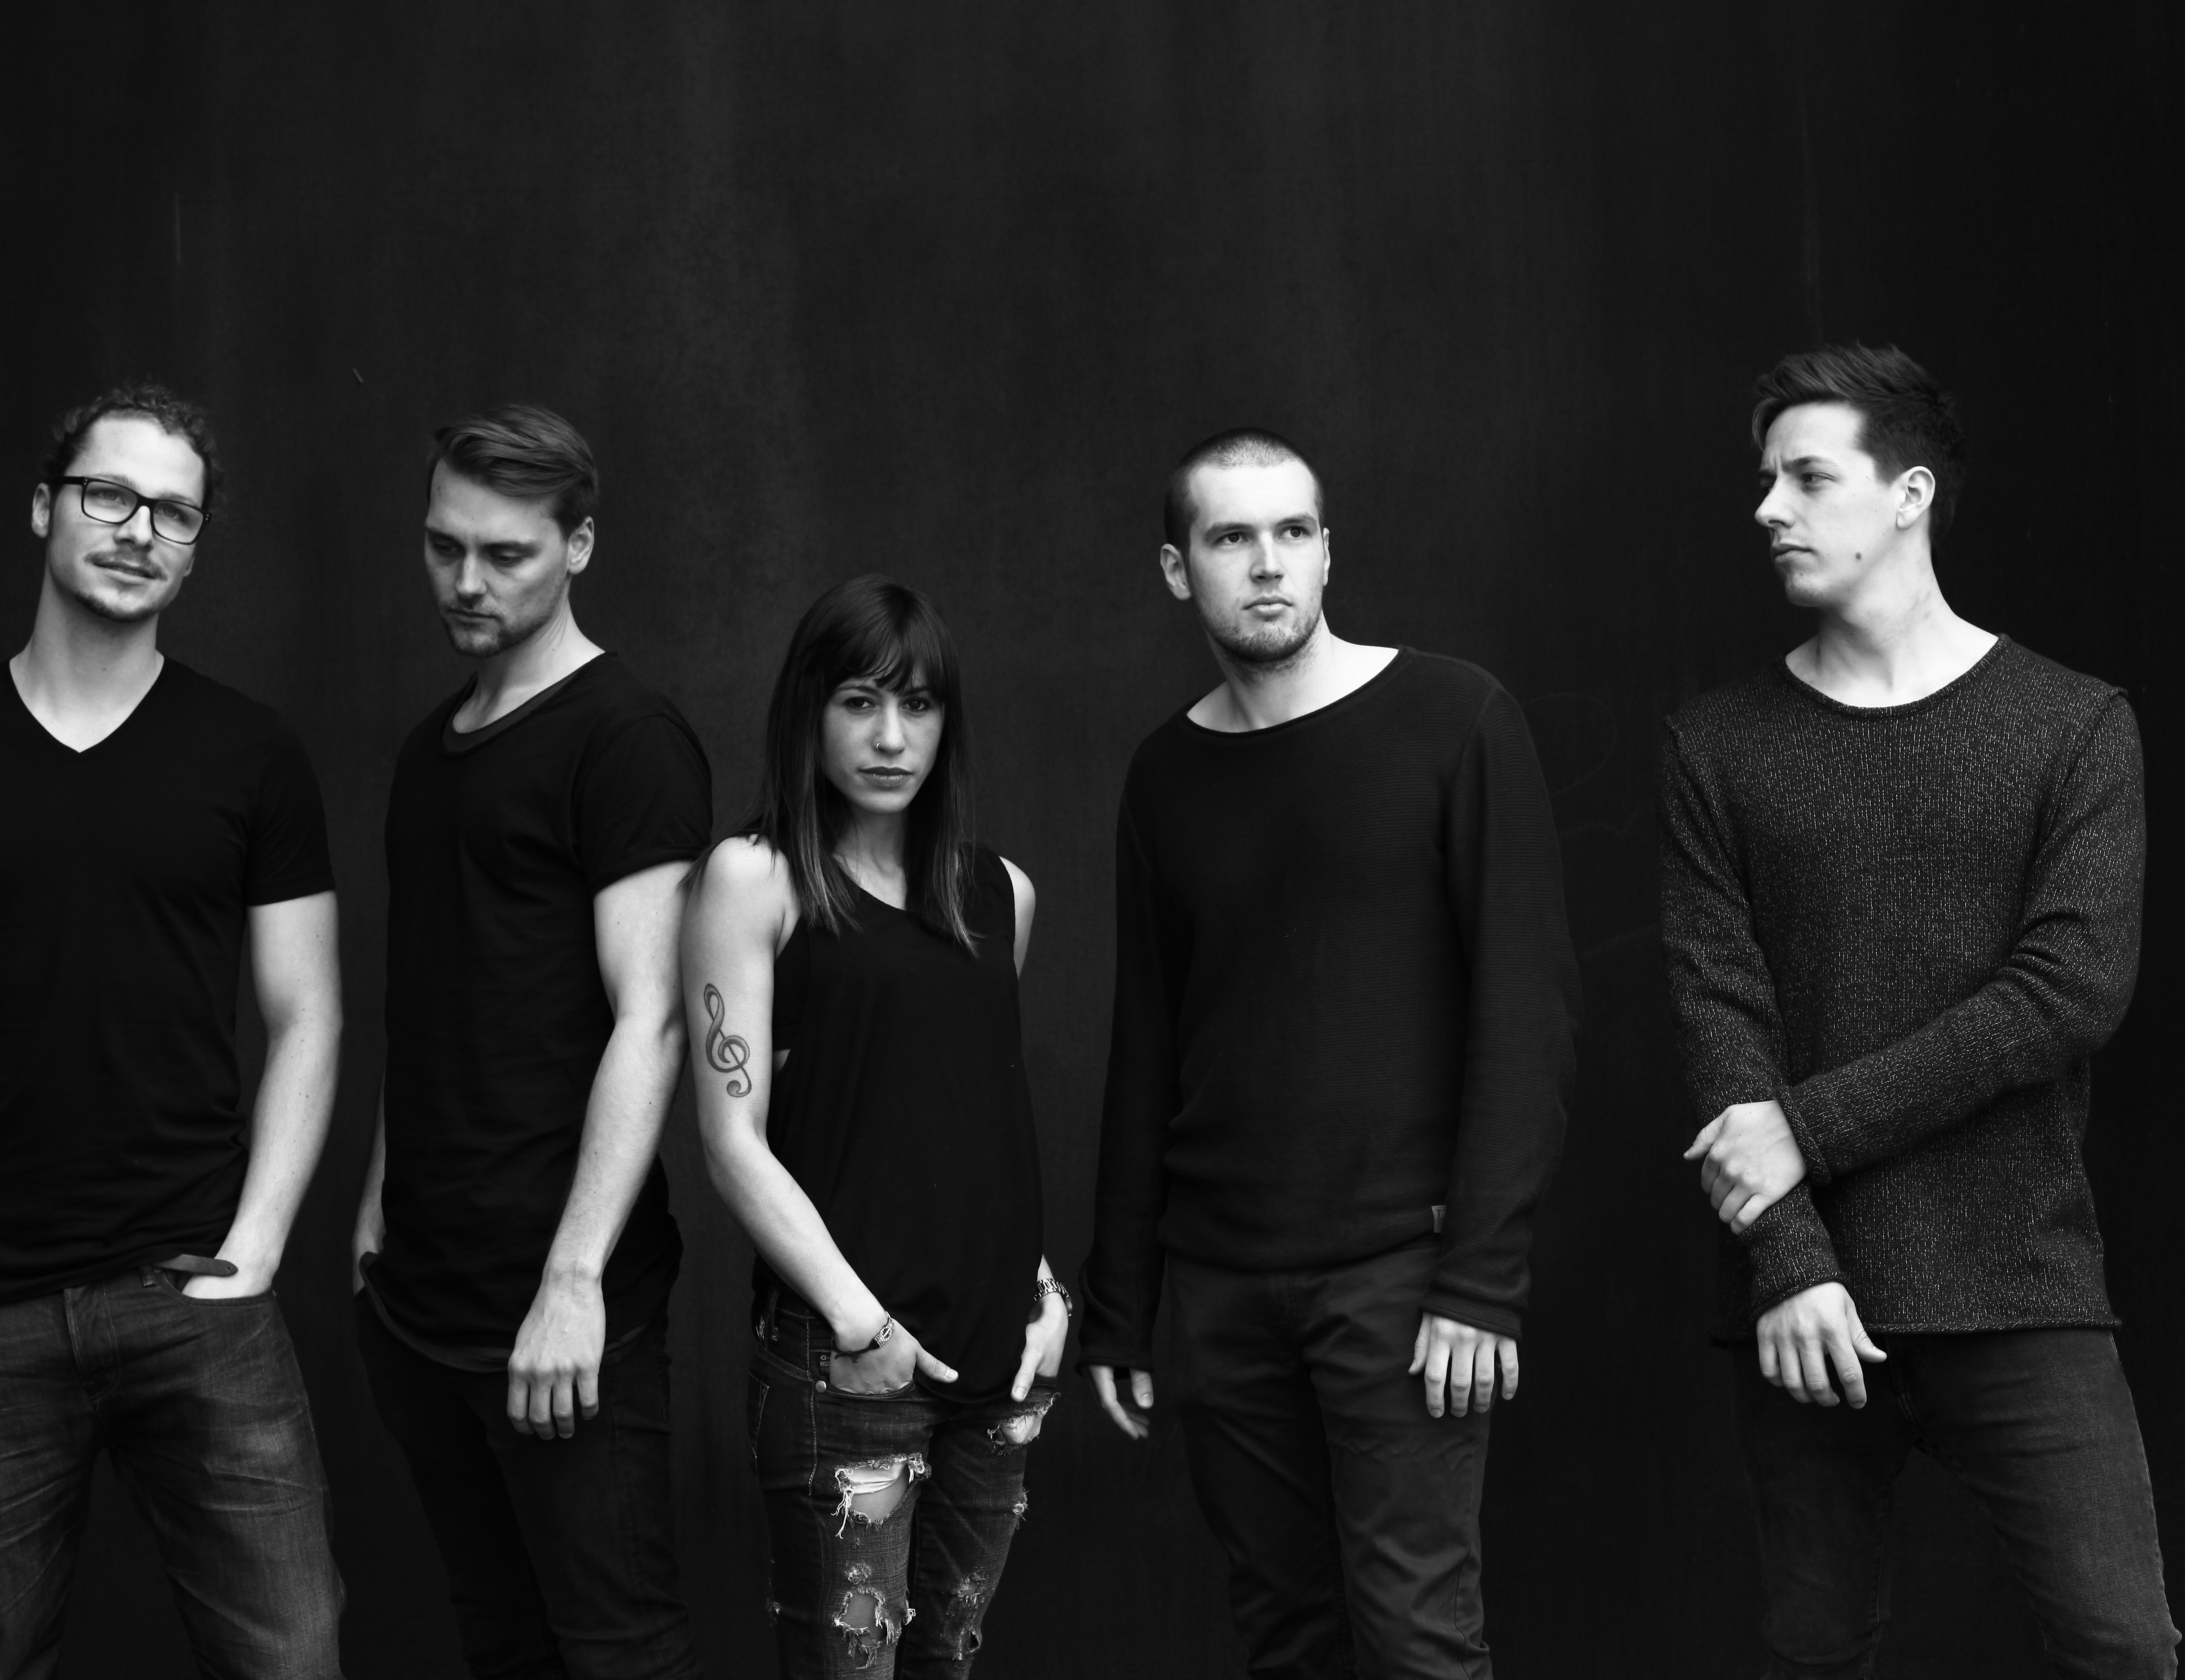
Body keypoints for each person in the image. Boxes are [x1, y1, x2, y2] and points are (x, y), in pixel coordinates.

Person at [0, 382, 347, 1677]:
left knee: (294, 1659)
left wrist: (257, 1249)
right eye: (110, 495)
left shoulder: (252, 755)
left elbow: (308, 1012)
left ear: (196, 547)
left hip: (194, 1294)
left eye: (175, 513)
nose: (139, 530)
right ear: (44, 507)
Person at [1663, 344, 2177, 1676]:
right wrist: (1790, 1262)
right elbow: (1720, 1014)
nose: (1768, 509)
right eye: (1765, 480)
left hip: (2019, 1278)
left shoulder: (2072, 726)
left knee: (2124, 1649)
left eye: (1807, 478)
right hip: (1806, 1306)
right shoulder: (1718, 744)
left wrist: (1806, 1132)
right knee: (1816, 1653)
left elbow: (2067, 996)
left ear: (1910, 495)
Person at [1079, 430, 1580, 1678]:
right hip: (1222, 1286)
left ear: (1326, 554)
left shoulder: (1455, 717)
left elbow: (1528, 1017)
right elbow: (1147, 1043)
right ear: (1176, 569)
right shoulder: (1165, 775)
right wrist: (1123, 1307)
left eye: (1292, 533)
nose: (1267, 564)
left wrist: (1480, 1281)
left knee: (1418, 1643)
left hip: (1401, 1279)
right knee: (1287, 1640)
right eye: (1231, 538)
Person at [350, 405, 707, 1680]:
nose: (467, 581)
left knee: (618, 1655)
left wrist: (574, 1283)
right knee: (500, 1645)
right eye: (445, 546)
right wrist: (380, 1200)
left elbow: (653, 1018)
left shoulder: (626, 739)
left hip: (563, 1314)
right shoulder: (427, 752)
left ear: (580, 547)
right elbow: (433, 999)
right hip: (420, 1303)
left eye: (506, 554)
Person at [683, 575, 1066, 1678]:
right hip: (850, 1369)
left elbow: (970, 1114)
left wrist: (1045, 1290)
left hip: (1000, 1368)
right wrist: (862, 1325)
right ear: (810, 712)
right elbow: (732, 1143)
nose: (892, 738)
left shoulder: (1001, 894)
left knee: (947, 1663)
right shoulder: (755, 879)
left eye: (919, 705)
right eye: (860, 703)